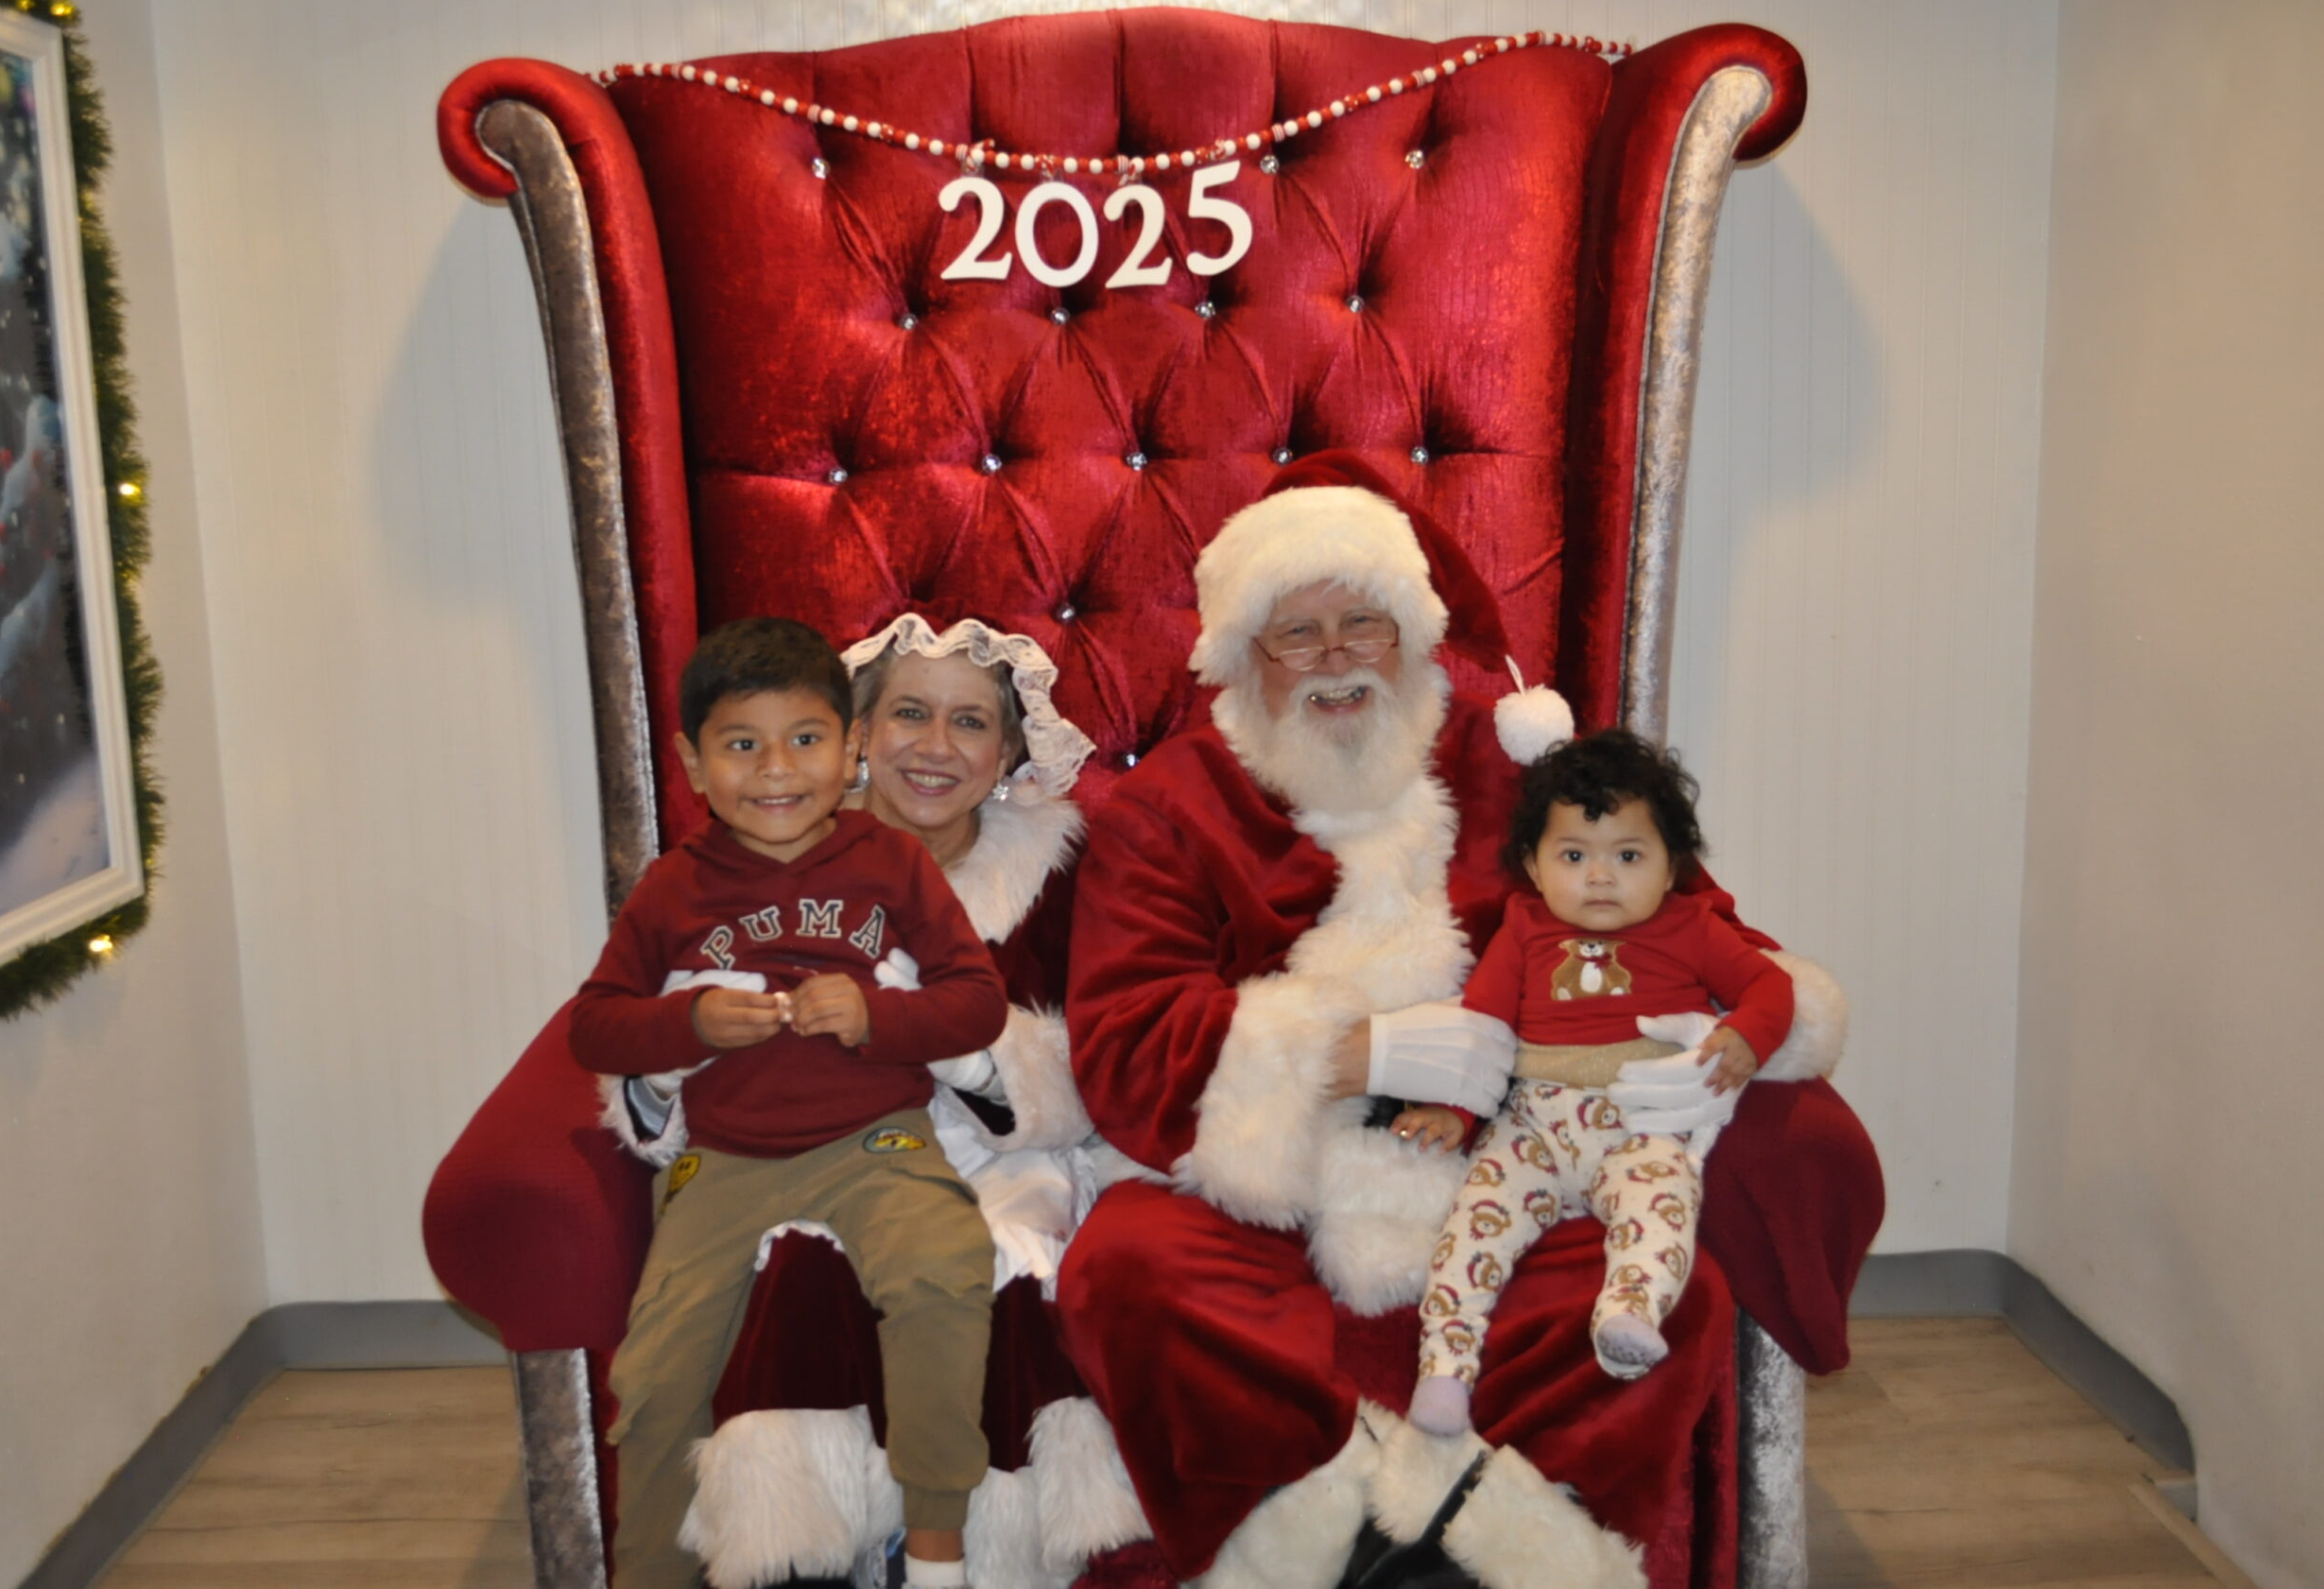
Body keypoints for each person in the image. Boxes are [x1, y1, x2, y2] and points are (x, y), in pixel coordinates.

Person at [1055, 451, 1867, 1589]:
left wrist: (1728, 1029)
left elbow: (1683, 912)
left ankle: (1476, 1555)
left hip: (1512, 1149)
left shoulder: (1513, 760)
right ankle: (1322, 1534)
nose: (1337, 658)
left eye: (1364, 623)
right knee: (1125, 1270)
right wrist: (1353, 1054)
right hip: (1271, 1173)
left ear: (1413, 632)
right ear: (1241, 655)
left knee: (1656, 1288)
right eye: (1298, 634)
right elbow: (1125, 1038)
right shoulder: (1171, 806)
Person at [604, 613, 1133, 1589]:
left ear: (1009, 750)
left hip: (999, 1158)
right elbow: (627, 1029)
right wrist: (679, 1048)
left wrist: (958, 1051)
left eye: (970, 722)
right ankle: (807, 1550)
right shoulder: (745, 854)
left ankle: (959, 1555)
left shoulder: (1062, 872)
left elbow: (1109, 1053)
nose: (936, 747)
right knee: (793, 1265)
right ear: (861, 735)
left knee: (980, 1264)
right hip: (784, 1150)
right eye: (909, 714)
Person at [1402, 730, 1794, 1441]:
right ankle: (1444, 1369)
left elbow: (1770, 987)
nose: (1601, 877)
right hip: (1533, 1127)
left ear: (1673, 868)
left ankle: (1629, 1312)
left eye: (1629, 856)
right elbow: (1482, 1031)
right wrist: (1456, 1110)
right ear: (1534, 865)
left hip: (1639, 1126)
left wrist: (1746, 1035)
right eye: (1575, 856)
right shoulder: (1523, 928)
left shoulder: (1693, 928)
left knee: (1664, 1204)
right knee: (1471, 1225)